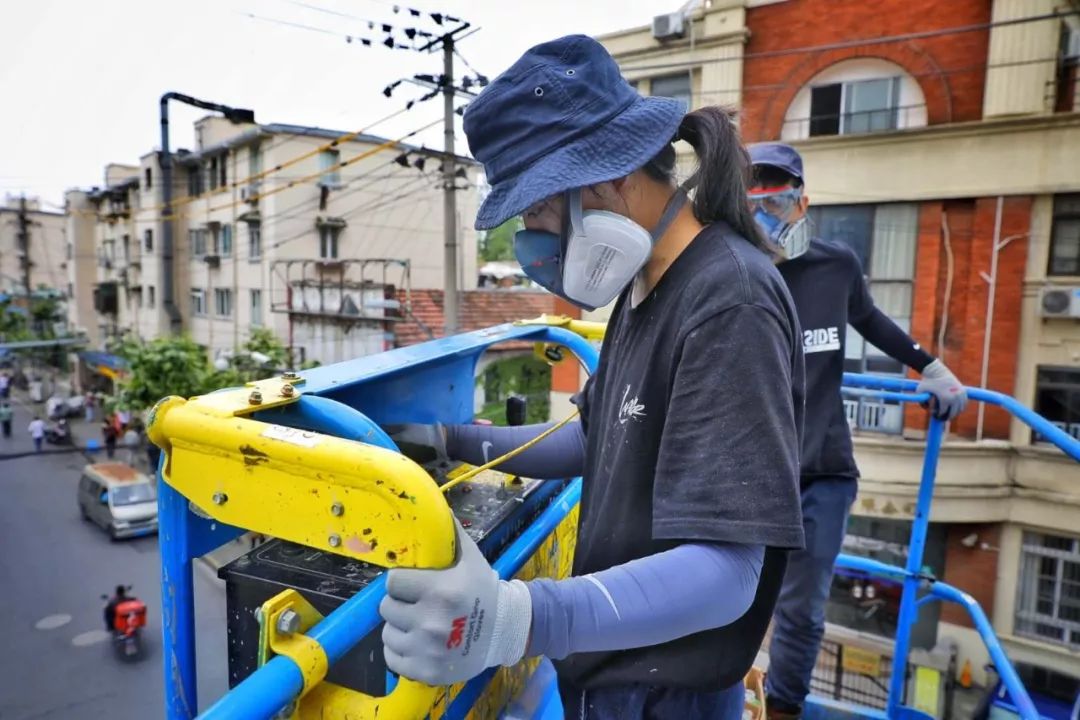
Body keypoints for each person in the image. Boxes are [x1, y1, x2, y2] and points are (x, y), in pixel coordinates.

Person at [378, 35, 806, 720]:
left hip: (667, 695)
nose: (533, 243)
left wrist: (515, 619)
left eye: (538, 213)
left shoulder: (731, 300)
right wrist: (447, 439)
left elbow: (726, 575)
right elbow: (594, 437)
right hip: (616, 672)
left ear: (606, 178)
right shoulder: (647, 286)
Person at [746, 142, 968, 719]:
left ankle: (785, 710)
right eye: (754, 206)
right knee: (735, 596)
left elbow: (868, 318)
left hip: (823, 472)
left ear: (804, 203)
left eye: (781, 201)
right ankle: (729, 693)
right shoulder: (733, 277)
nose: (769, 218)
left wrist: (931, 367)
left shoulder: (835, 265)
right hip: (753, 473)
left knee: (802, 610)